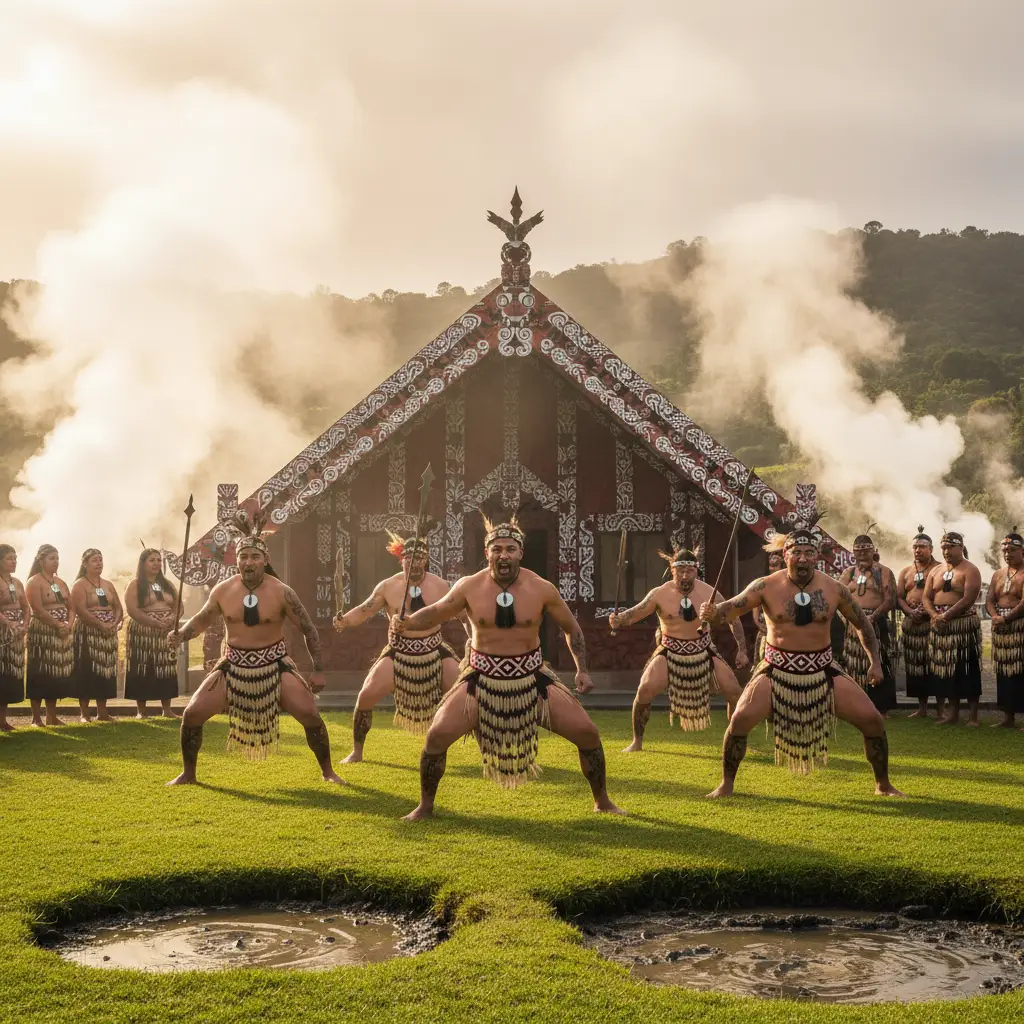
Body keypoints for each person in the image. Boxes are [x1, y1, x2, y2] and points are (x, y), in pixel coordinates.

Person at [392, 515, 624, 820]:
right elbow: (436, 612)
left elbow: (572, 629)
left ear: (520, 553)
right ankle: (425, 806)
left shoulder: (541, 588)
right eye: (497, 548)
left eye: (510, 549)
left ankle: (602, 800)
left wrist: (582, 669)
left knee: (587, 733)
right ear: (487, 553)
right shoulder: (469, 587)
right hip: (480, 679)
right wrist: (406, 622)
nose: (504, 555)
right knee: (436, 736)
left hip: (532, 679)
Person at [699, 524, 904, 798]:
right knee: (740, 720)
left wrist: (874, 662)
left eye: (809, 553)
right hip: (776, 668)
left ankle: (883, 785)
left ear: (817, 556)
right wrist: (713, 613)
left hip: (822, 669)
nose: (804, 558)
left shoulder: (835, 589)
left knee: (872, 721)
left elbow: (863, 625)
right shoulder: (765, 586)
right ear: (786, 554)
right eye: (797, 552)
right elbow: (730, 608)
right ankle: (726, 785)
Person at [166, 511, 342, 786]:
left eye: (254, 557)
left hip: (275, 665)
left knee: (310, 715)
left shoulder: (282, 591)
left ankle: (328, 771)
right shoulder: (223, 590)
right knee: (192, 714)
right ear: (236, 560)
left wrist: (317, 670)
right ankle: (188, 774)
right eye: (243, 557)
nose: (248, 562)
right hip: (233, 667)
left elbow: (309, 629)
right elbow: (201, 620)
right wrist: (181, 635)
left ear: (265, 560)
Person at [332, 529, 466, 763]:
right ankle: (357, 752)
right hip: (399, 652)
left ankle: (485, 749)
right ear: (401, 559)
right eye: (410, 558)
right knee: (365, 697)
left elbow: (464, 616)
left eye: (420, 559)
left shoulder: (441, 586)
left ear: (426, 560)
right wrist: (345, 621)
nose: (415, 563)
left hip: (435, 651)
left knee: (468, 696)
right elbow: (365, 610)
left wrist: (475, 638)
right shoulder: (387, 586)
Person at [609, 546, 747, 752]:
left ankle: (734, 739)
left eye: (689, 571)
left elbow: (732, 618)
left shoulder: (709, 592)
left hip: (703, 649)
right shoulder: (660, 594)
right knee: (645, 689)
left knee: (734, 692)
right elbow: (635, 614)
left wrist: (742, 649)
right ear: (672, 570)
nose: (684, 575)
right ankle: (637, 741)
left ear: (696, 570)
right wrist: (618, 619)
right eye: (680, 571)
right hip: (669, 650)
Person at [921, 531, 983, 727]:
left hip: (962, 625)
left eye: (950, 547)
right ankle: (952, 713)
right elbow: (926, 597)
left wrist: (945, 616)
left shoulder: (970, 570)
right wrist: (934, 616)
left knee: (967, 667)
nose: (946, 551)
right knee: (947, 670)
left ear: (961, 547)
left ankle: (973, 716)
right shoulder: (935, 571)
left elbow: (968, 599)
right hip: (941, 626)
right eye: (944, 548)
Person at [837, 535, 897, 716]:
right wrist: (846, 617)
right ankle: (857, 705)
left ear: (873, 551)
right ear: (853, 553)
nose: (862, 554)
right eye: (858, 551)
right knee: (854, 663)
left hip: (875, 622)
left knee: (880, 661)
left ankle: (881, 708)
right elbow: (837, 595)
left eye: (865, 550)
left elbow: (890, 600)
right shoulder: (848, 573)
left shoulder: (883, 572)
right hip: (853, 624)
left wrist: (873, 617)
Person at [124, 548, 181, 718]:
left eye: (159, 560)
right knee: (143, 667)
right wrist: (153, 622)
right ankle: (141, 711)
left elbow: (179, 606)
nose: (157, 563)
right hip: (143, 632)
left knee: (166, 668)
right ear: (143, 563)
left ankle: (167, 709)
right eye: (152, 560)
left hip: (166, 632)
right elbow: (132, 609)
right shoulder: (135, 584)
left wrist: (172, 619)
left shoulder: (167, 584)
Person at [70, 548, 123, 723]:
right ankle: (84, 713)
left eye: (100, 560)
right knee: (86, 670)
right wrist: (100, 624)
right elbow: (81, 610)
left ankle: (102, 712)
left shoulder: (107, 584)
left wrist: (113, 623)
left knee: (105, 671)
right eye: (94, 560)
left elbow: (117, 607)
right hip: (88, 632)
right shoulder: (79, 585)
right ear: (85, 564)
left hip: (108, 634)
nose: (99, 563)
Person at [25, 544, 74, 727]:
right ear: (41, 560)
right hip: (42, 633)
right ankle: (36, 718)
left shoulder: (60, 583)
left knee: (55, 673)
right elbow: (37, 609)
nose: (56, 562)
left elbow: (71, 607)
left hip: (61, 634)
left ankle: (51, 716)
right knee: (40, 671)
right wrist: (56, 624)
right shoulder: (34, 582)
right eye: (52, 558)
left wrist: (68, 624)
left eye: (57, 558)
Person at [896, 527, 942, 719]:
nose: (917, 550)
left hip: (933, 624)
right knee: (916, 667)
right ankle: (922, 708)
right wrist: (910, 611)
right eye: (915, 547)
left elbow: (942, 594)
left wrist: (928, 610)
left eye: (922, 547)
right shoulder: (906, 571)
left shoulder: (941, 569)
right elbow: (899, 597)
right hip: (912, 625)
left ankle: (941, 708)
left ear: (931, 548)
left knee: (937, 665)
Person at [985, 529, 1024, 729]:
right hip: (1002, 628)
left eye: (1011, 550)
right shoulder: (998, 574)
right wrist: (995, 616)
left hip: (1019, 628)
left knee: (1022, 671)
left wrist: (1006, 618)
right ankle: (1008, 717)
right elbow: (989, 599)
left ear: (1022, 551)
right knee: (1004, 673)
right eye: (1005, 550)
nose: (1007, 554)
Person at [0, 544, 30, 730]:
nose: (14, 561)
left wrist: (24, 624)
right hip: (3, 632)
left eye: (15, 558)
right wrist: (8, 623)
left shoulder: (17, 583)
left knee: (9, 676)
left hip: (16, 633)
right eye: (9, 558)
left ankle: (3, 720)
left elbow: (26, 607)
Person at [753, 550, 786, 665]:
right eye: (771, 565)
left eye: (776, 565)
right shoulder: (763, 584)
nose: (773, 569)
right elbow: (755, 610)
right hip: (765, 633)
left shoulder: (789, 585)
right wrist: (761, 625)